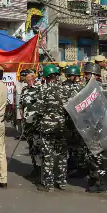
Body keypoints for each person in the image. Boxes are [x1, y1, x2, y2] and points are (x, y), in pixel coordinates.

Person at [36, 65, 71, 193]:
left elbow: (39, 110)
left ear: (45, 77)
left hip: (47, 128)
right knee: (62, 154)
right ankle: (62, 182)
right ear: (56, 76)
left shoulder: (43, 90)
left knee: (48, 155)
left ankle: (48, 184)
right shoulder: (65, 90)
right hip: (61, 126)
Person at [19, 68, 44, 177]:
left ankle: (41, 170)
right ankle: (35, 167)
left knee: (38, 146)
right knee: (31, 146)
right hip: (27, 123)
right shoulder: (24, 90)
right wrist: (23, 118)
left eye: (28, 77)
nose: (26, 80)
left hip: (37, 123)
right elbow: (21, 105)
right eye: (26, 78)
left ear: (32, 78)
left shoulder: (40, 89)